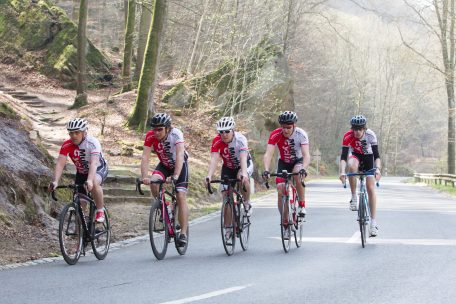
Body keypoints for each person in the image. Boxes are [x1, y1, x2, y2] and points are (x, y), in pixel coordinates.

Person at [141, 113, 189, 246]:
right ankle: (166, 208)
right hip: (164, 165)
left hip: (180, 165)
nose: (156, 132)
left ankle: (183, 233)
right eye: (154, 129)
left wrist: (175, 176)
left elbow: (180, 154)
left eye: (160, 129)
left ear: (167, 128)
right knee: (154, 182)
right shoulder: (150, 136)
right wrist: (144, 176)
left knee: (180, 195)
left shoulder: (176, 134)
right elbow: (145, 157)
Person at [50, 118, 108, 222]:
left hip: (98, 168)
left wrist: (89, 180)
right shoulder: (67, 145)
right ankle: (81, 232)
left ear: (84, 132)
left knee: (94, 182)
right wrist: (55, 181)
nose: (73, 136)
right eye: (71, 133)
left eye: (77, 132)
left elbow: (94, 163)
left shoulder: (93, 143)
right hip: (81, 172)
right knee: (80, 203)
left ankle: (100, 210)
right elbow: (60, 163)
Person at [262, 111, 310, 223]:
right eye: (283, 127)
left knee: (298, 174)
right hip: (283, 162)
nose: (285, 130)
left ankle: (302, 205)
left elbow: (306, 155)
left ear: (294, 125)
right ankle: (284, 219)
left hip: (298, 161)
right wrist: (266, 170)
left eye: (288, 127)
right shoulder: (275, 134)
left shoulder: (301, 134)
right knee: (280, 188)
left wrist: (304, 168)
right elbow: (268, 154)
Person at [339, 115, 382, 237]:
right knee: (351, 166)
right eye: (354, 129)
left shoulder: (371, 135)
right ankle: (354, 197)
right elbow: (343, 157)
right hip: (356, 156)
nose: (357, 132)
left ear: (364, 129)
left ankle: (373, 224)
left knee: (370, 188)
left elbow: (377, 156)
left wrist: (378, 169)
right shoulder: (348, 136)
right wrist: (342, 171)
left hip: (369, 159)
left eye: (359, 129)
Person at [205, 117, 253, 217]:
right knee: (226, 196)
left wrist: (244, 174)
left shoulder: (240, 139)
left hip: (243, 164)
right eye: (221, 132)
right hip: (228, 167)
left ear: (233, 130)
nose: (224, 134)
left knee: (241, 177)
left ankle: (247, 202)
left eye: (227, 131)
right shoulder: (217, 141)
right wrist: (209, 176)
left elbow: (243, 158)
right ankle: (227, 230)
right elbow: (214, 159)